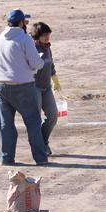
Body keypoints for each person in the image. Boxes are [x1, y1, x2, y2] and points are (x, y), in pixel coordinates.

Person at [0, 9, 48, 166]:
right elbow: (36, 63)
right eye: (26, 22)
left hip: (1, 85)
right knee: (33, 123)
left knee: (5, 124)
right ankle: (40, 158)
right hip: (23, 86)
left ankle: (6, 158)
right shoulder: (25, 39)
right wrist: (40, 62)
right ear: (21, 22)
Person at [30, 21, 61, 156]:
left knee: (53, 115)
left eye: (48, 34)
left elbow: (51, 64)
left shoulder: (47, 47)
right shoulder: (31, 48)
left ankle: (43, 142)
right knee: (36, 118)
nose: (47, 37)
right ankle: (40, 146)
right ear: (37, 36)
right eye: (44, 35)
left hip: (46, 87)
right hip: (34, 87)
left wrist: (55, 80)